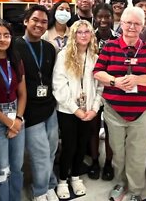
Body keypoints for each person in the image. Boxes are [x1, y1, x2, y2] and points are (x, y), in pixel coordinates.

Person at [93, 7, 146, 201]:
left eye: (137, 23)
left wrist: (138, 80)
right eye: (128, 22)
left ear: (143, 26)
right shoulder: (109, 47)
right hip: (114, 111)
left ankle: (135, 190)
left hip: (142, 113)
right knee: (118, 152)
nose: (132, 27)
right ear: (121, 24)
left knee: (138, 154)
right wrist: (115, 81)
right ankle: (120, 182)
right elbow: (98, 72)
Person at [52, 20, 103, 199]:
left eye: (86, 32)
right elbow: (59, 87)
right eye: (79, 32)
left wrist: (95, 109)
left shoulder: (95, 57)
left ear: (91, 35)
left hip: (89, 111)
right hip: (68, 111)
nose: (83, 35)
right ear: (73, 35)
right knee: (69, 146)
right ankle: (63, 180)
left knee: (82, 144)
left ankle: (75, 176)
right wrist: (76, 110)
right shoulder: (64, 55)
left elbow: (100, 87)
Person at [14, 5, 59, 201]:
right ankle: (40, 191)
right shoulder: (14, 47)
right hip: (29, 111)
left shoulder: (49, 47)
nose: (39, 25)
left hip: (49, 107)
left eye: (43, 22)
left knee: (51, 150)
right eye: (35, 20)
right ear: (26, 21)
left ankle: (50, 184)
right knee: (40, 154)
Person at [0, 19, 26, 201]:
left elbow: (23, 94)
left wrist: (17, 119)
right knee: (2, 168)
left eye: (6, 35)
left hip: (16, 115)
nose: (2, 39)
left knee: (17, 167)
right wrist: (9, 122)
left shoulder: (16, 60)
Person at [87, 3, 119, 181]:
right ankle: (94, 161)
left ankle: (108, 162)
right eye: (100, 16)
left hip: (112, 90)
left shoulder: (118, 38)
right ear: (94, 17)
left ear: (112, 18)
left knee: (109, 129)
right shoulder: (88, 37)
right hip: (92, 88)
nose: (104, 20)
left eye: (107, 16)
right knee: (93, 128)